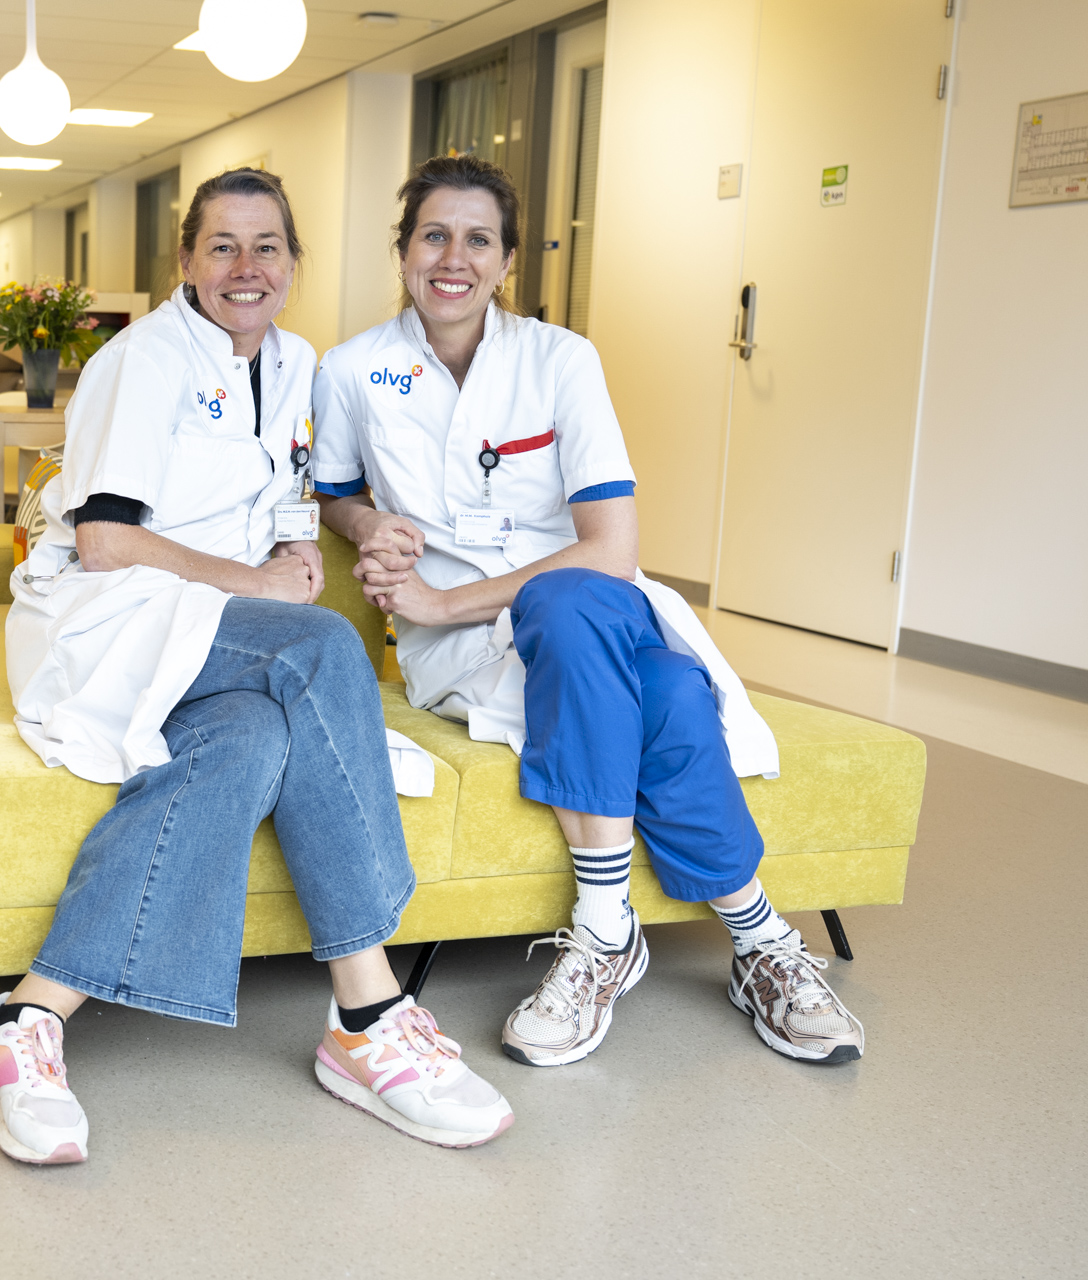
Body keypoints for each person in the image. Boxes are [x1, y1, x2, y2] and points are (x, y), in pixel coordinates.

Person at [0, 168, 515, 1166]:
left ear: (295, 264)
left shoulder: (295, 360)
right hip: (111, 622)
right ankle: (370, 1010)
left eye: (267, 247)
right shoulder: (142, 361)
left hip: (208, 632)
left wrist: (300, 553)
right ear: (184, 260)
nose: (246, 267)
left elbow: (284, 496)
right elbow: (102, 540)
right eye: (221, 245)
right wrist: (258, 585)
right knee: (321, 646)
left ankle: (20, 1021)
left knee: (253, 741)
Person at [312, 155, 866, 1070]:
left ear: (507, 260)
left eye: (478, 239)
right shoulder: (354, 370)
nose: (454, 256)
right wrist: (373, 523)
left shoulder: (560, 359)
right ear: (403, 250)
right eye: (434, 235)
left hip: (572, 607)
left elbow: (608, 548)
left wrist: (442, 594)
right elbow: (332, 490)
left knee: (571, 599)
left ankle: (603, 931)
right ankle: (763, 940)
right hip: (465, 653)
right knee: (668, 700)